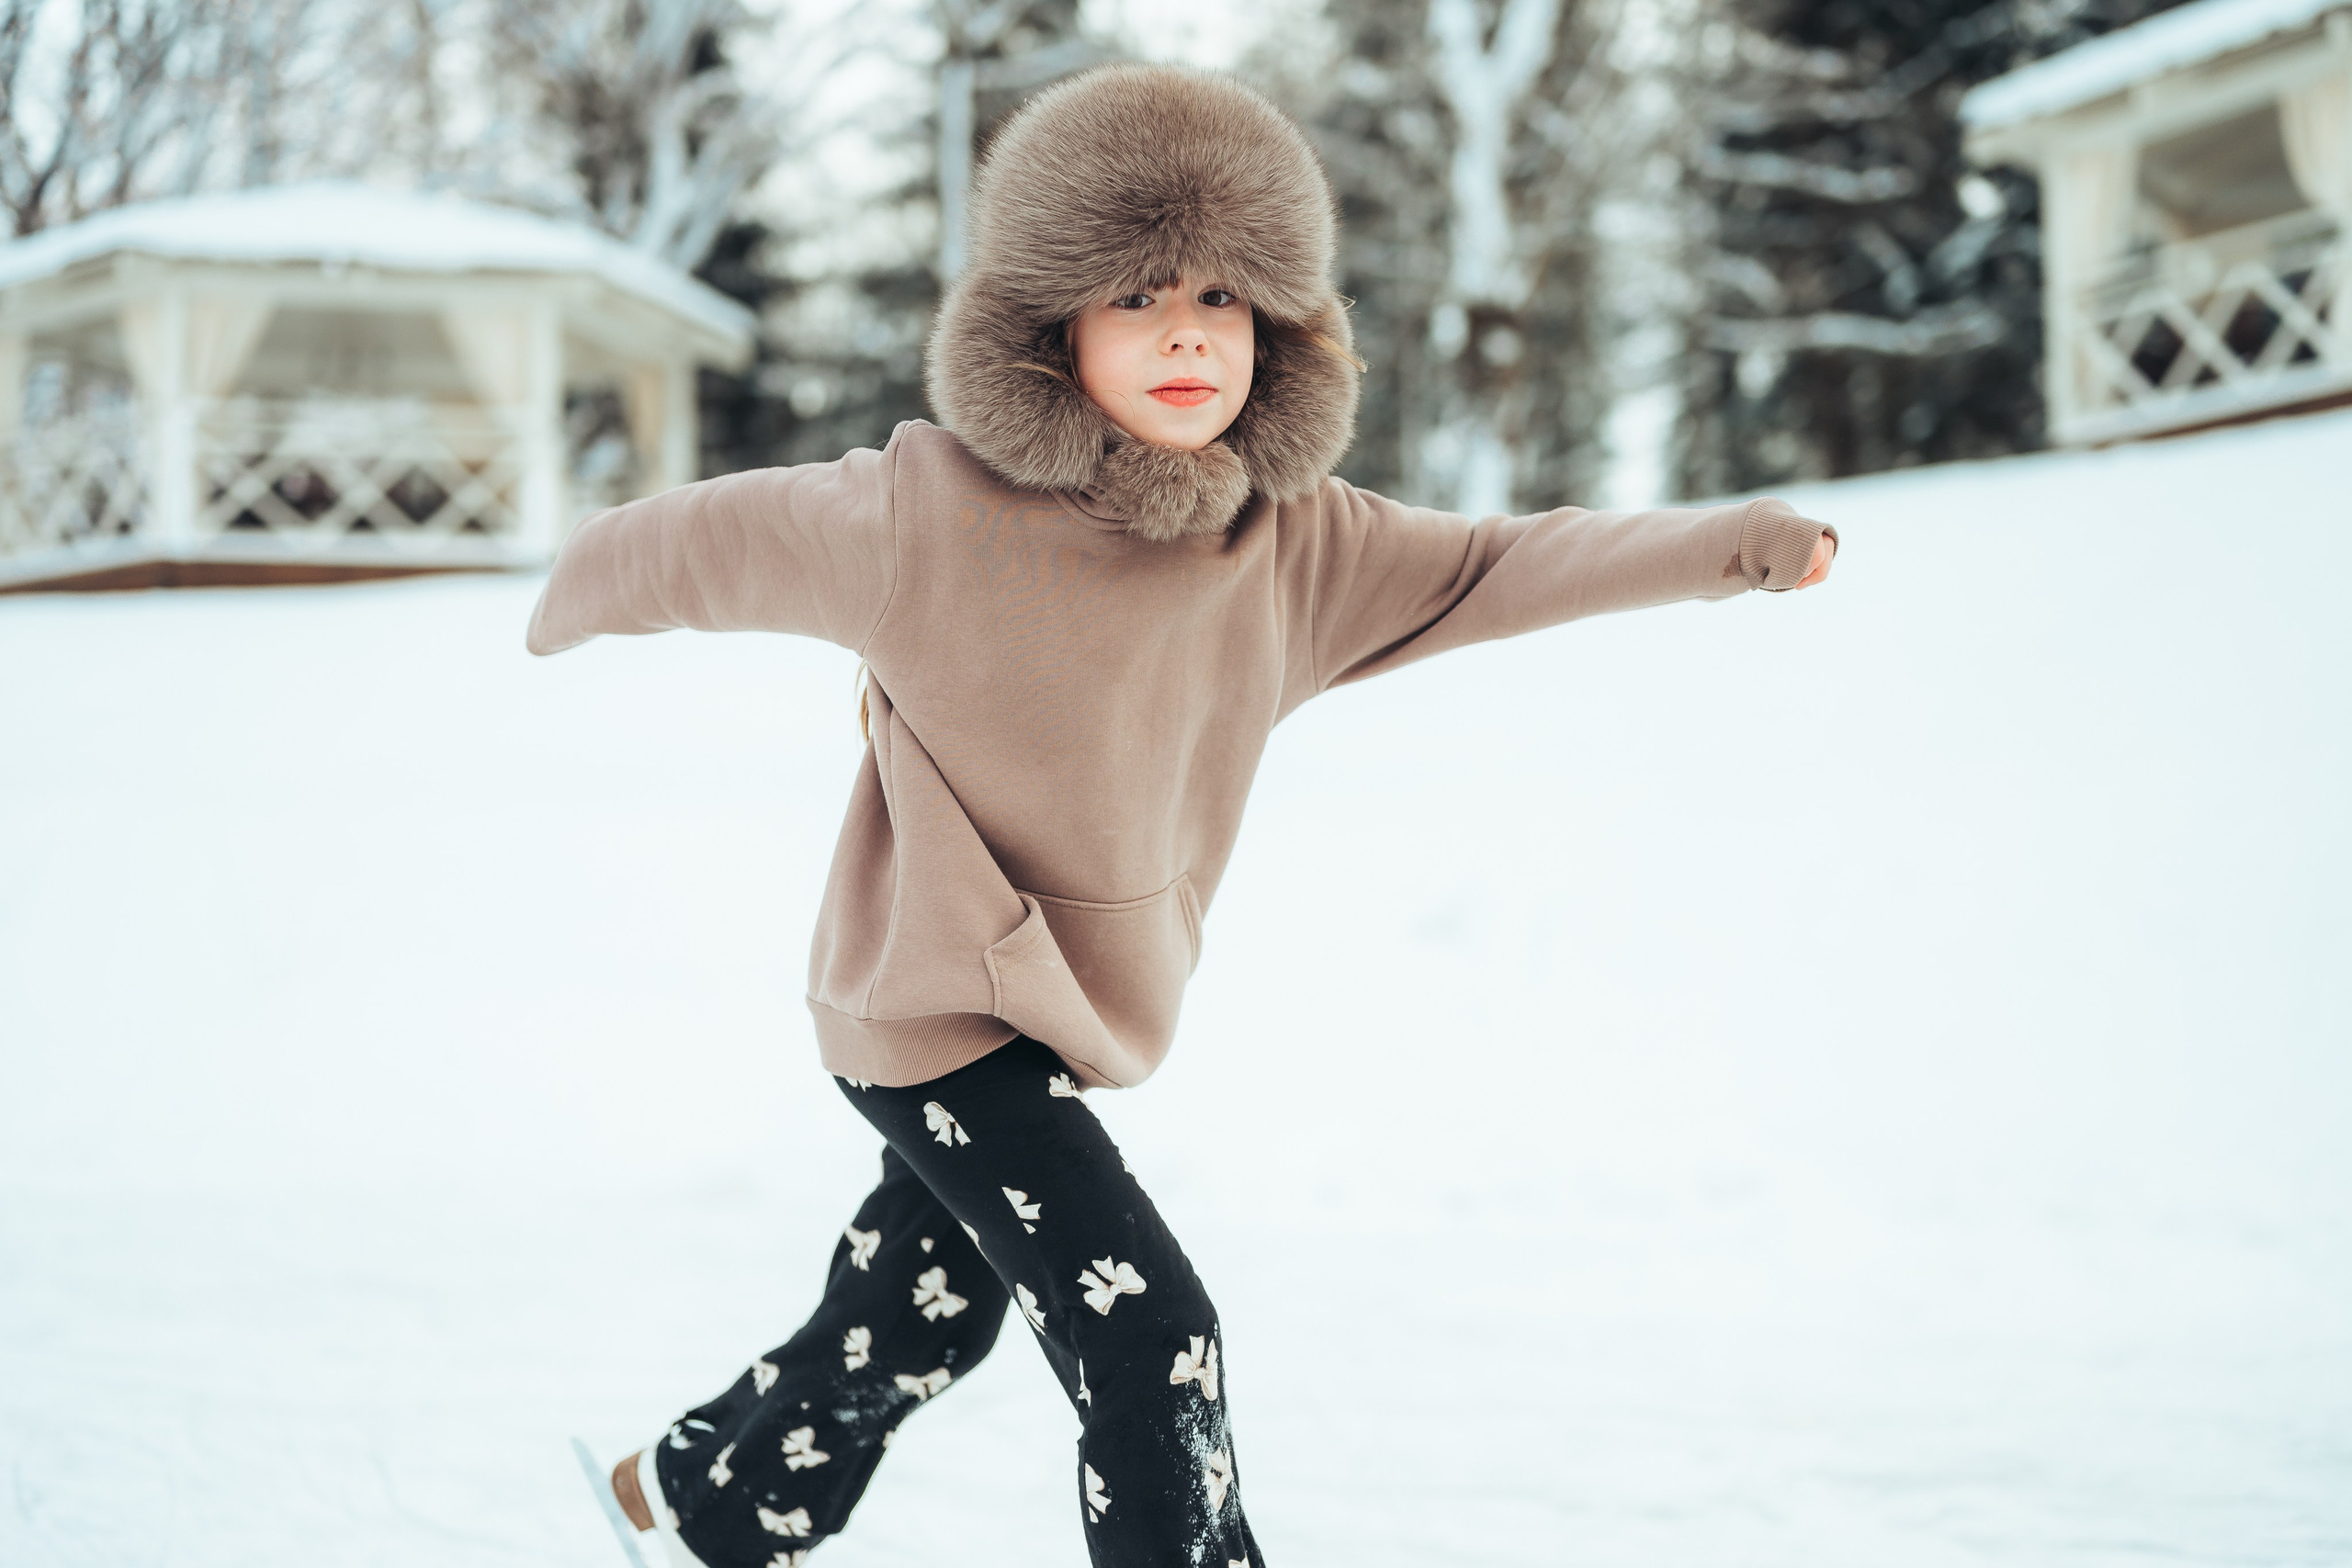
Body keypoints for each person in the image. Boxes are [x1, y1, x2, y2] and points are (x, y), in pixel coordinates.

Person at [527, 63, 1834, 1568]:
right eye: (1138, 296)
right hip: (928, 1011)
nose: (1185, 333)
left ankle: (695, 1499)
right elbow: (687, 545)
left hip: (1071, 1012)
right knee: (1154, 1338)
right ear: (1053, 325)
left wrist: (1738, 544)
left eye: (1221, 297)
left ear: (1276, 327)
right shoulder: (926, 511)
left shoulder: (1295, 548)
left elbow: (1504, 561)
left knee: (920, 1316)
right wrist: (569, 595)